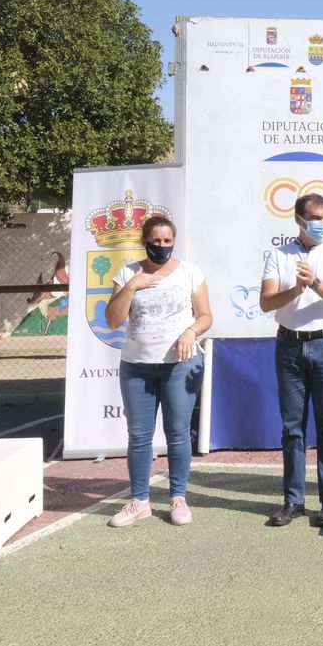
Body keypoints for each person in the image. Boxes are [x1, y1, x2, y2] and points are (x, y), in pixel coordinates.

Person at [102, 215, 212, 527]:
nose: (161, 246)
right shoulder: (127, 273)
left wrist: (191, 332)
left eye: (167, 241)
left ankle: (178, 497)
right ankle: (139, 502)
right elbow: (112, 319)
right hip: (137, 366)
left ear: (173, 241)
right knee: (139, 435)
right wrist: (133, 285)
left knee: (177, 434)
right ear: (144, 241)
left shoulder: (190, 272)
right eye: (156, 241)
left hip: (180, 364)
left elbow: (205, 315)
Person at [259, 193, 323, 528]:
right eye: (316, 217)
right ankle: (293, 500)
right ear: (299, 219)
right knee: (292, 428)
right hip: (288, 345)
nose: (322, 223)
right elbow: (267, 303)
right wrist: (296, 290)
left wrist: (313, 282)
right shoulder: (278, 255)